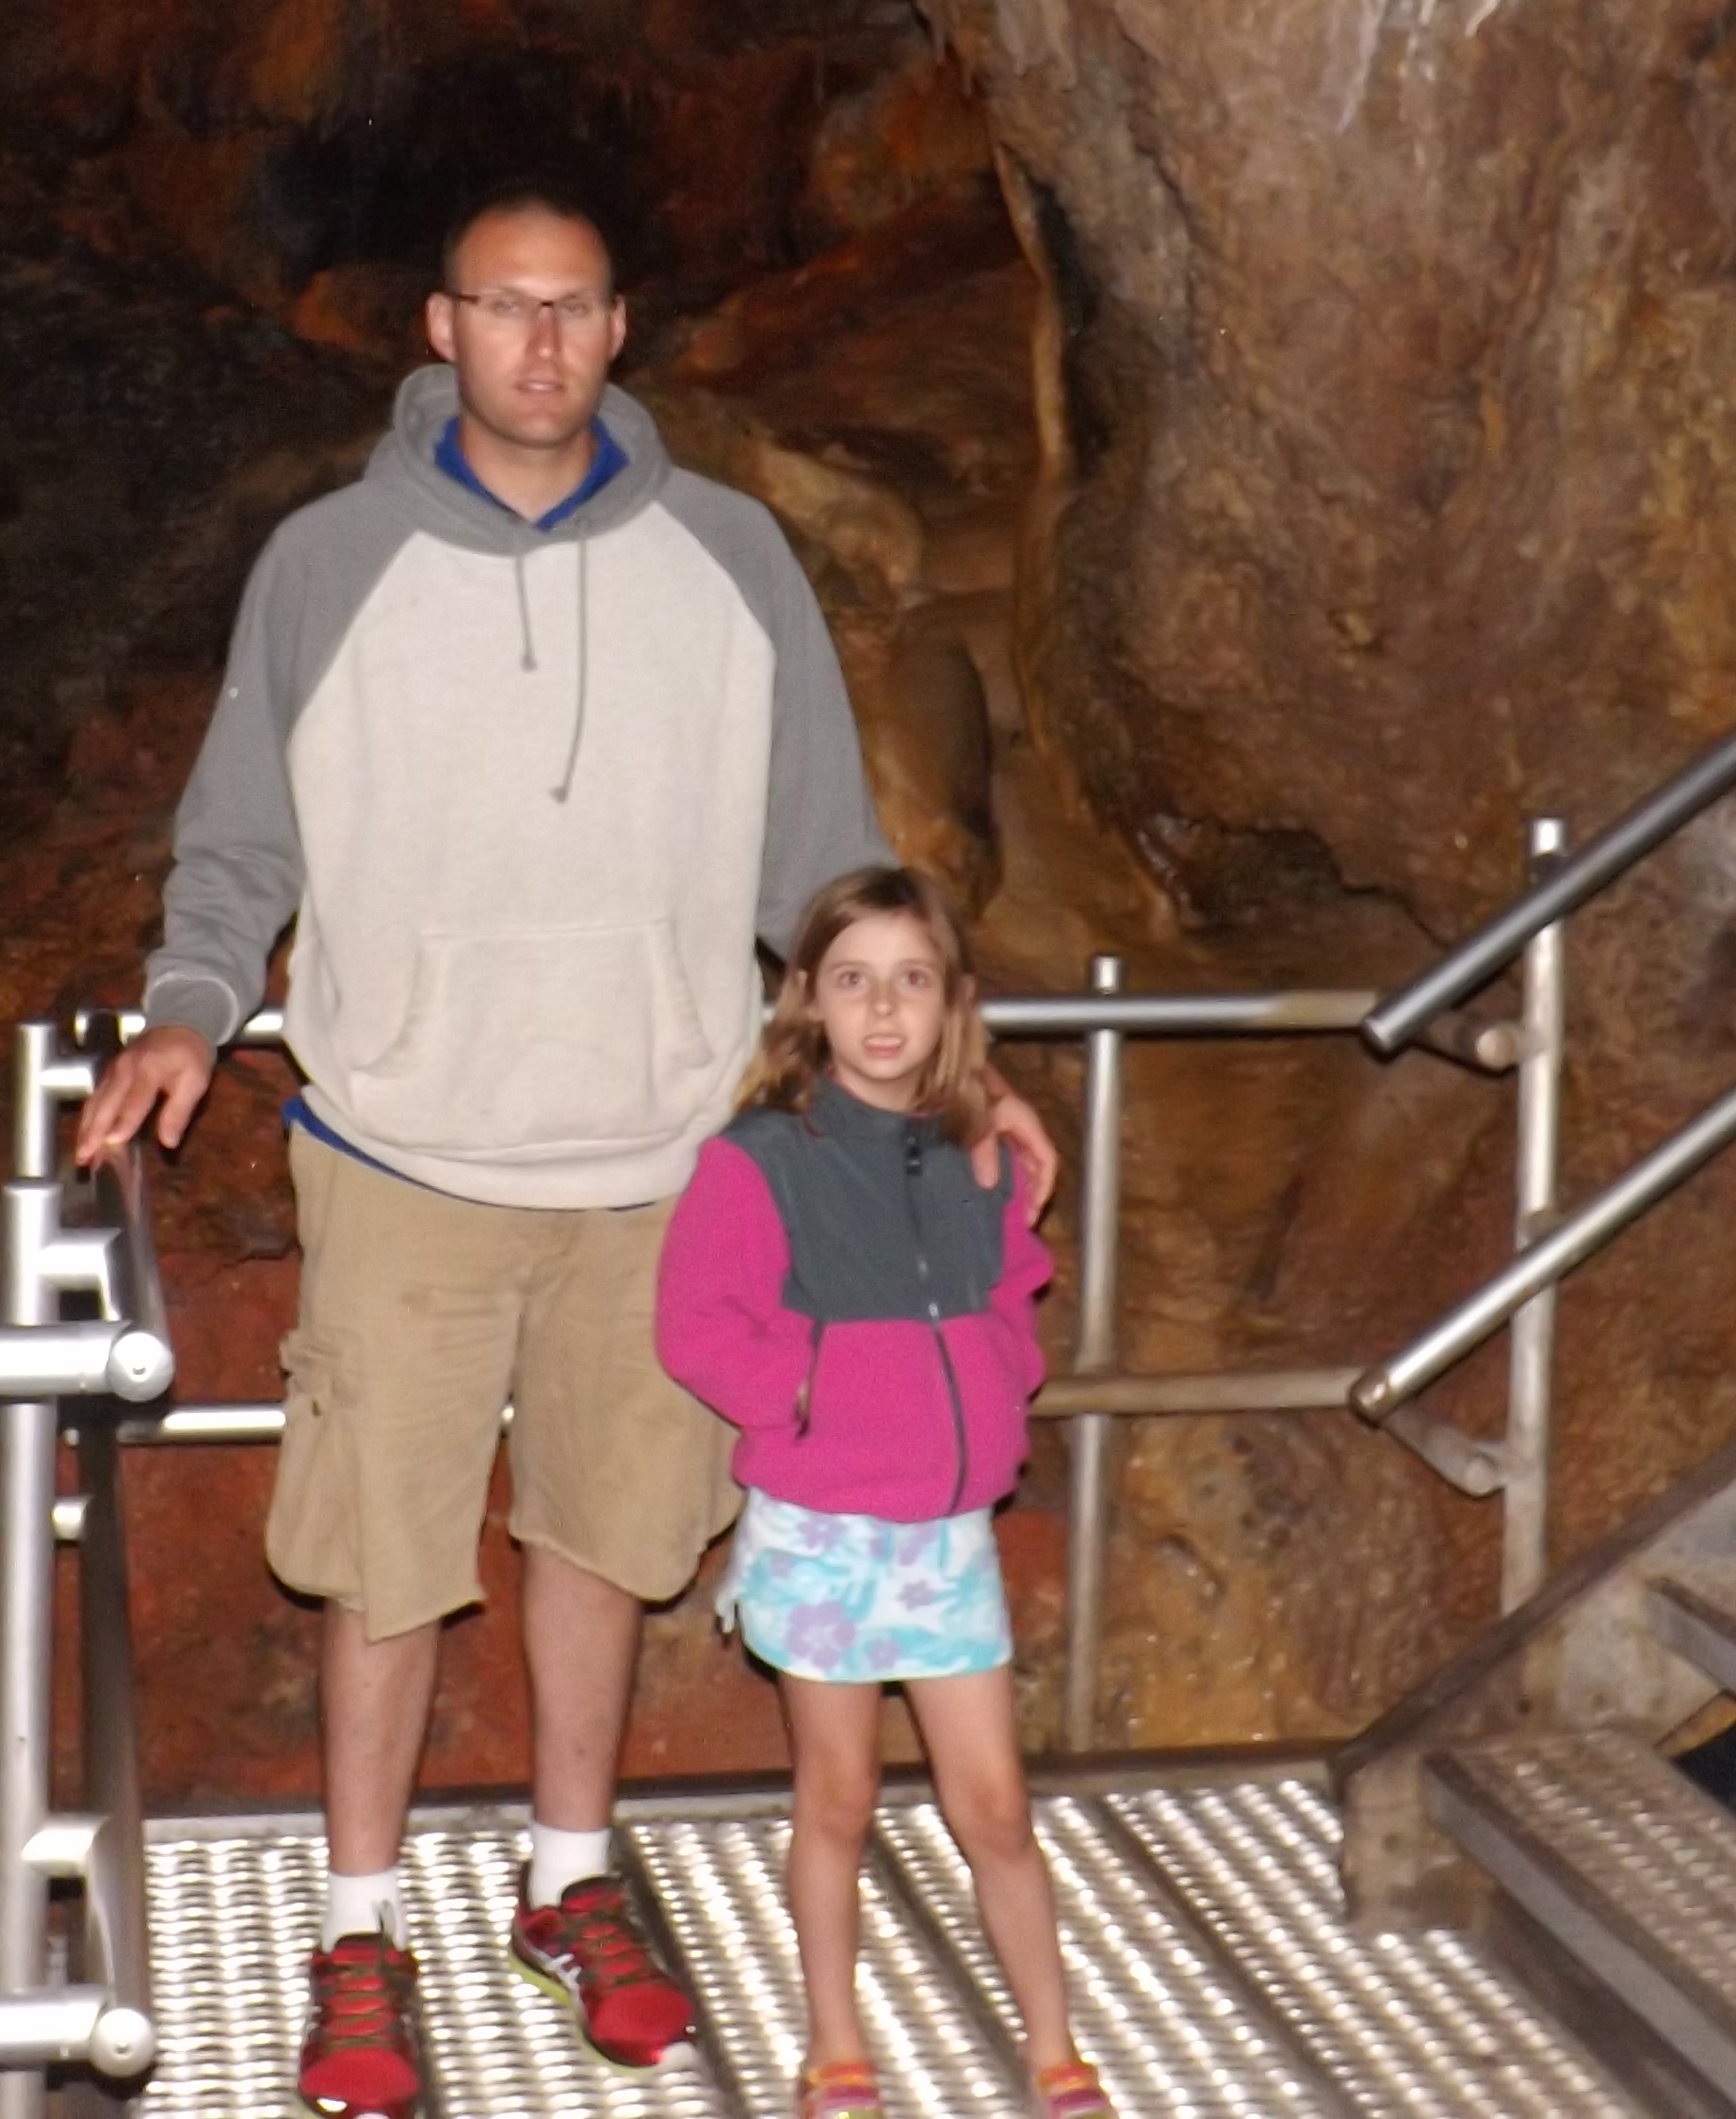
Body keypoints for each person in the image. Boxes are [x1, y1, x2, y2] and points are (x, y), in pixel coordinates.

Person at [73, 187, 1055, 2119]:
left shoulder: (730, 555)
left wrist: (953, 1065)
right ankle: (359, 1926)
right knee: (382, 1552)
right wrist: (189, 1006)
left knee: (607, 1533)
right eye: (504, 307)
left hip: (667, 1167)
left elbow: (819, 860)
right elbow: (240, 841)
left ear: (619, 330)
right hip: (406, 1148)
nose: (541, 342)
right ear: (439, 328)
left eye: (575, 308)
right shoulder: (327, 561)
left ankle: (567, 1882)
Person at [653, 865, 1111, 2119]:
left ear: (953, 1000)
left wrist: (1001, 1377)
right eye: (854, 981)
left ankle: (1055, 2048)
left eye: (912, 980)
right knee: (839, 1796)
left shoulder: (976, 1153)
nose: (885, 1009)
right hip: (822, 1533)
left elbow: (1012, 1283)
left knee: (996, 1806)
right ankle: (835, 2045)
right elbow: (697, 1323)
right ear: (809, 998)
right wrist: (811, 1387)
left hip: (948, 1537)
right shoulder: (761, 1160)